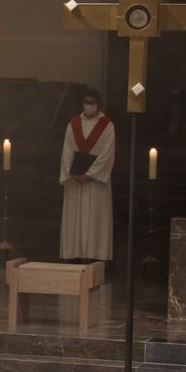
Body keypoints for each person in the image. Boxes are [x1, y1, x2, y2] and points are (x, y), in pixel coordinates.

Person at [59, 88, 114, 261]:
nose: (88, 106)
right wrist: (74, 173)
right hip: (76, 179)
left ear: (98, 105)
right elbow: (67, 151)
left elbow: (108, 153)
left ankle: (95, 254)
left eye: (92, 103)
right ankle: (73, 252)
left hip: (95, 181)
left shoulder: (107, 126)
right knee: (75, 216)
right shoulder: (73, 125)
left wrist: (89, 174)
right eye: (86, 103)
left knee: (95, 218)